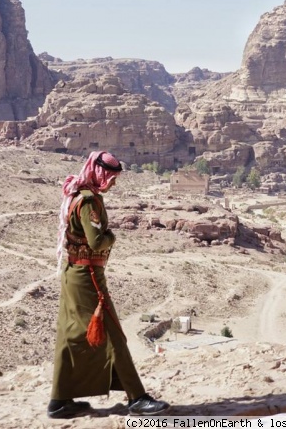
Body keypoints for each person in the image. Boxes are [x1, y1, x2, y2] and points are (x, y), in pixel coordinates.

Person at [48, 150, 170, 419]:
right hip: (87, 275)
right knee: (113, 331)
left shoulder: (78, 194)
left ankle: (60, 400)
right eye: (111, 178)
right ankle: (136, 397)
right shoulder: (89, 201)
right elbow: (97, 241)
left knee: (71, 334)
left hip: (73, 272)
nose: (113, 183)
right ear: (99, 173)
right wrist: (111, 236)